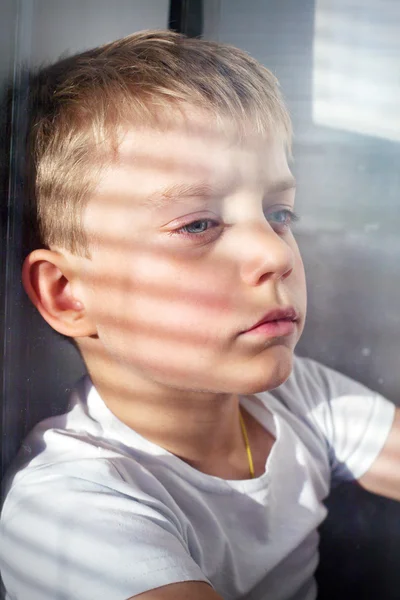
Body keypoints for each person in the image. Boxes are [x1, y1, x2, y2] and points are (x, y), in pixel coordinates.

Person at [0, 30, 399, 600]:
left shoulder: (298, 399)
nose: (276, 253)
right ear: (68, 293)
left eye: (278, 212)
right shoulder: (73, 508)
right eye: (197, 225)